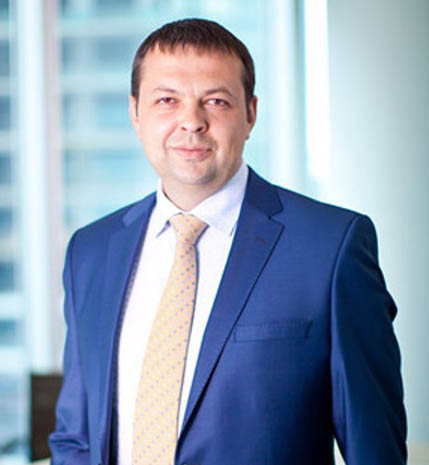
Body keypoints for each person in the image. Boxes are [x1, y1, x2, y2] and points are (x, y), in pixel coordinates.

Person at [49, 18, 407, 465]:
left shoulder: (331, 248)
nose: (191, 122)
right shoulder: (90, 252)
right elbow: (76, 437)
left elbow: (374, 449)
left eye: (215, 101)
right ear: (135, 112)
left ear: (250, 114)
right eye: (167, 100)